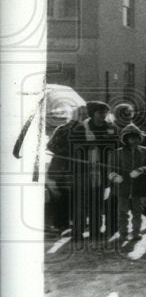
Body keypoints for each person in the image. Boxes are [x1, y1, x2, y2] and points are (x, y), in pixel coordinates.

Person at [68, 101, 120, 243]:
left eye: (105, 112)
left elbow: (116, 146)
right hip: (82, 171)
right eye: (100, 112)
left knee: (97, 202)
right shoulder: (80, 128)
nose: (103, 115)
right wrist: (88, 147)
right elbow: (72, 148)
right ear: (92, 113)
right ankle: (77, 232)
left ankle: (95, 231)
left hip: (103, 171)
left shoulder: (111, 128)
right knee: (80, 202)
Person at [46, 104, 87, 234]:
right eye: (84, 114)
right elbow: (51, 146)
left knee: (66, 196)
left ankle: (63, 224)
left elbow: (50, 146)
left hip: (64, 168)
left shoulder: (62, 128)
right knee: (71, 196)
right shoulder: (77, 129)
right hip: (69, 168)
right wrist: (69, 153)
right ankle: (66, 223)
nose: (86, 117)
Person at [107, 124, 146, 240]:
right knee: (122, 213)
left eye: (137, 138)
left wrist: (141, 169)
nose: (134, 140)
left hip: (138, 187)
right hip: (122, 188)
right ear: (125, 139)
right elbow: (111, 168)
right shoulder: (117, 152)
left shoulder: (145, 151)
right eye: (132, 138)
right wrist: (114, 176)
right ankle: (123, 233)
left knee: (137, 212)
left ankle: (136, 232)